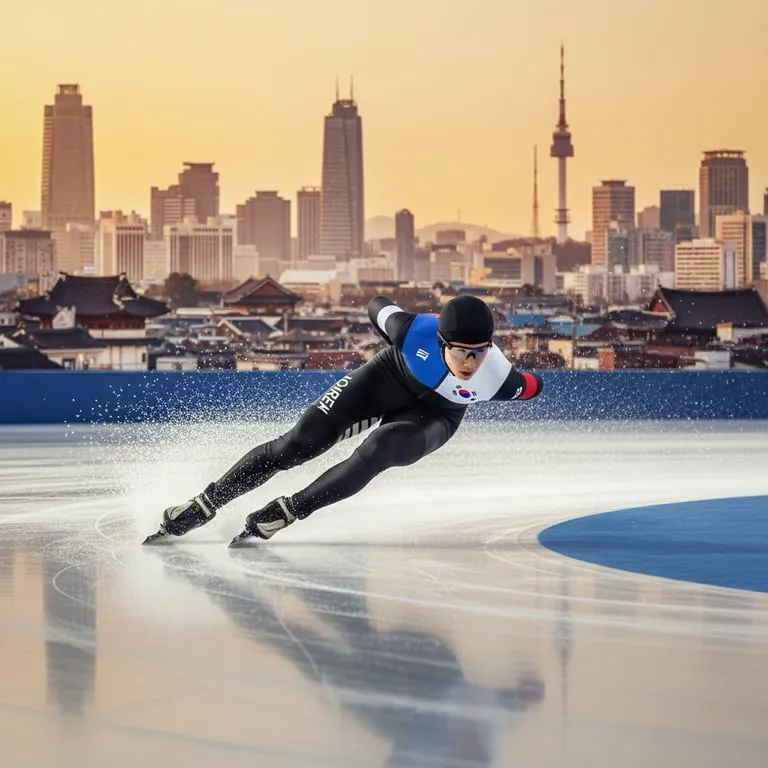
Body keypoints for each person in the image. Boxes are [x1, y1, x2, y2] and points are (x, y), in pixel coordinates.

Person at [142, 294, 543, 546]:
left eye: (479, 351)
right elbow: (377, 305)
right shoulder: (412, 331)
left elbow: (532, 386)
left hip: (435, 416)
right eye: (461, 351)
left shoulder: (498, 377)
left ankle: (289, 510)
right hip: (386, 378)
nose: (471, 362)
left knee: (381, 449)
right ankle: (205, 503)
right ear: (440, 341)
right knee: (300, 442)